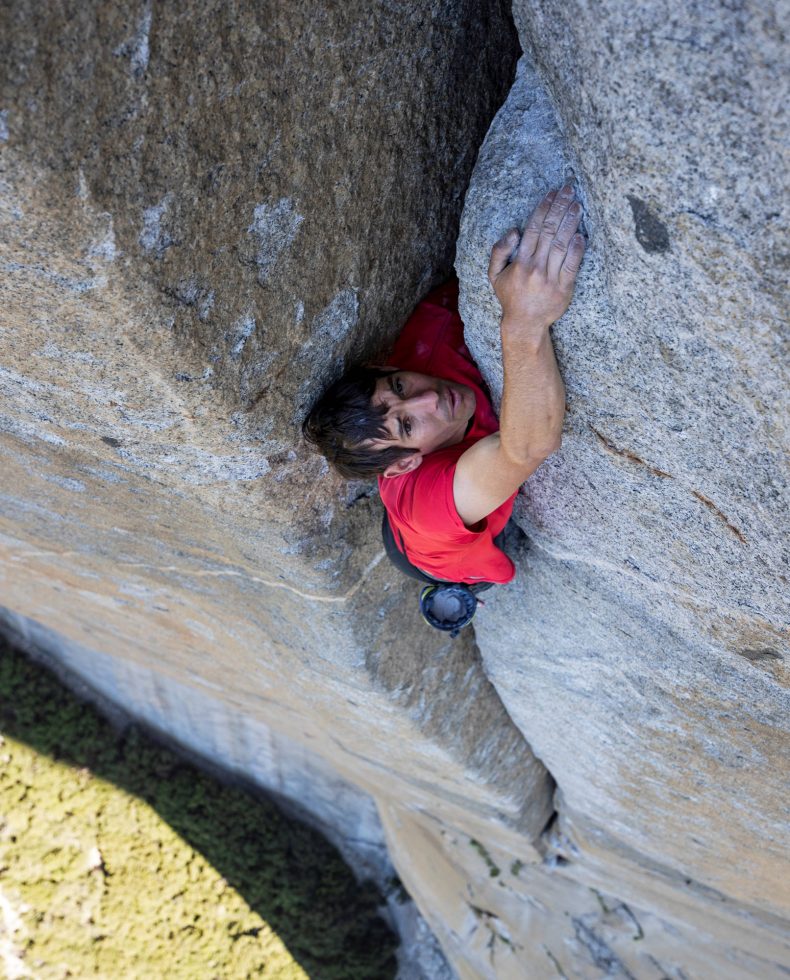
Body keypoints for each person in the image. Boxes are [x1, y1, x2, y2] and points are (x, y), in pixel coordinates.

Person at [303, 185, 585, 589]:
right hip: (435, 552)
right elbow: (527, 447)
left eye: (398, 386)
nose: (429, 398)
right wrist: (523, 322)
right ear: (403, 464)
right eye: (407, 426)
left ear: (386, 365)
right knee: (468, 576)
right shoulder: (430, 508)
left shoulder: (436, 327)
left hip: (418, 513)